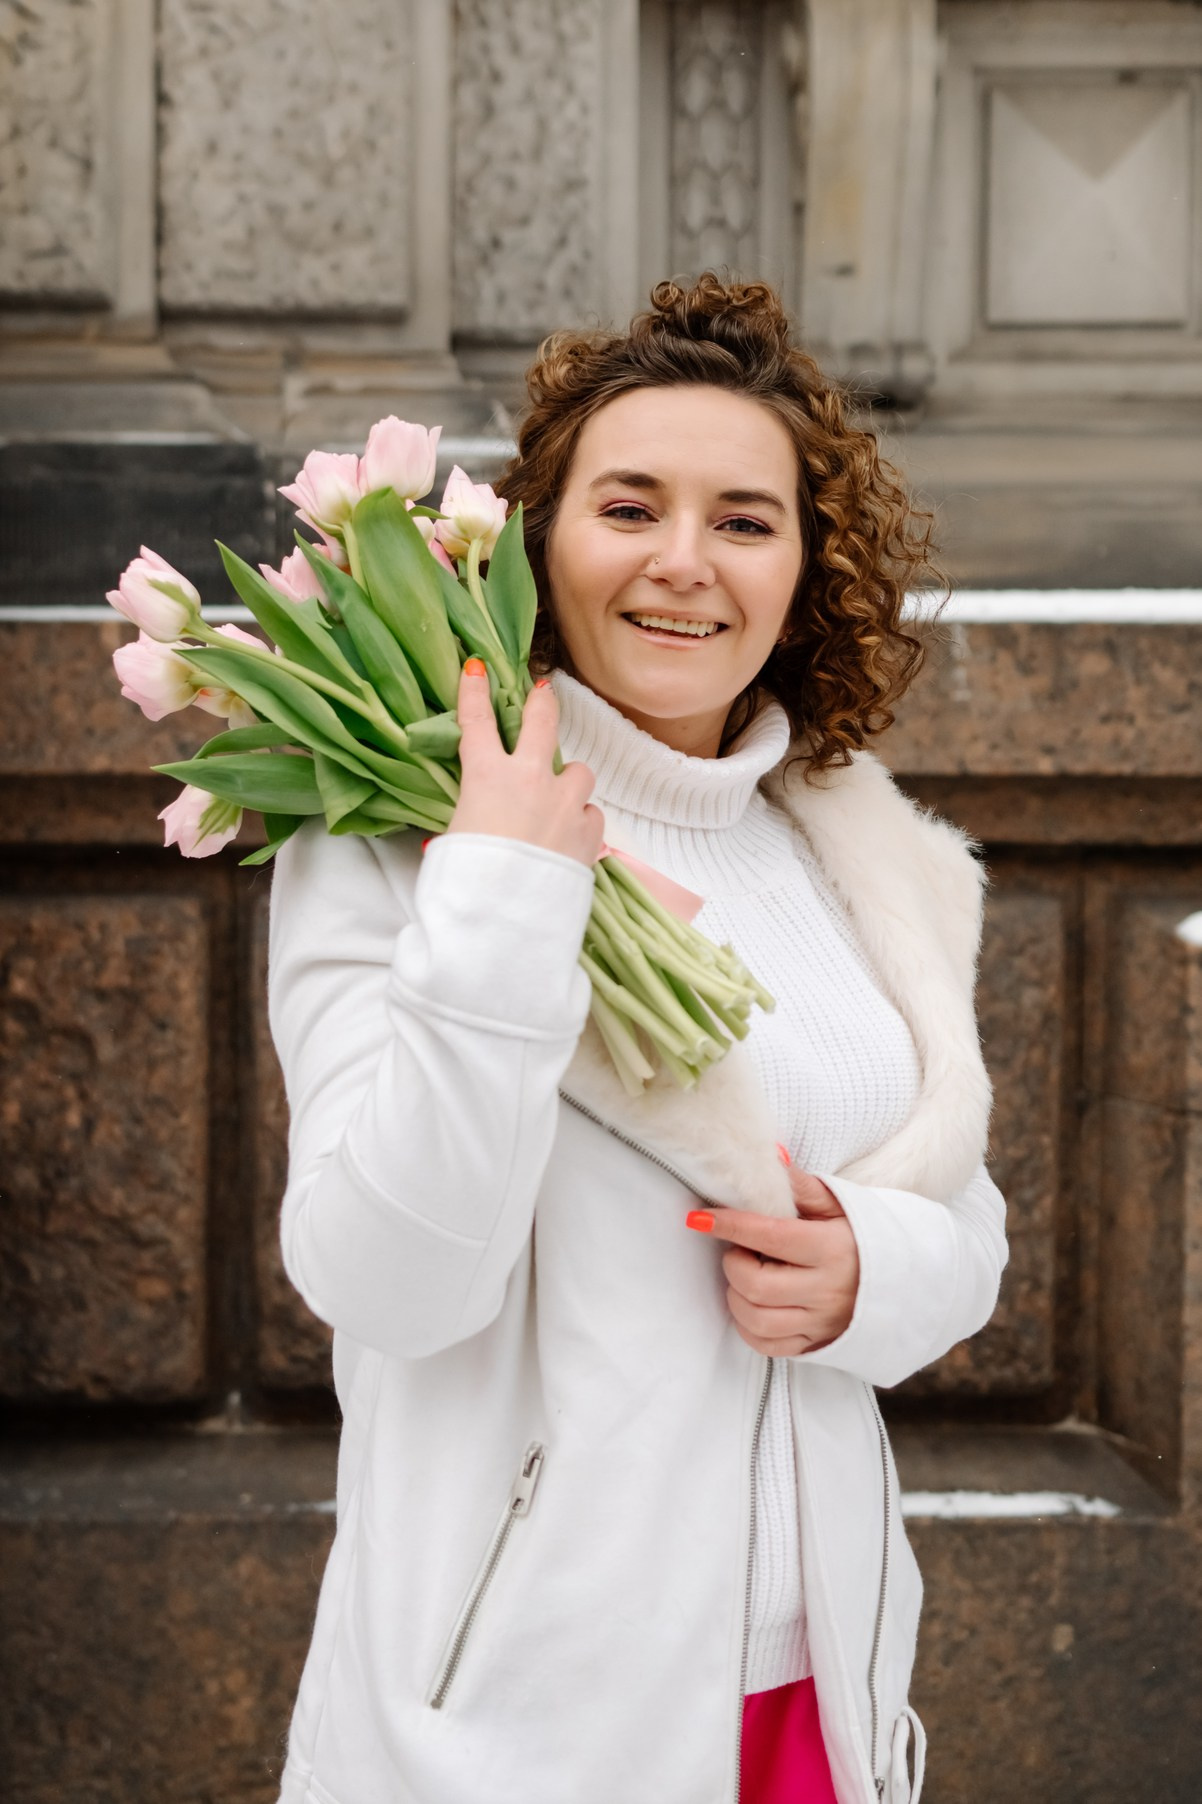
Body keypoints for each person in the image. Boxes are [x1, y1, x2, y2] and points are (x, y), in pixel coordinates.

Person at [266, 274, 1007, 1804]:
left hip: (818, 1682)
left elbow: (967, 1220)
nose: (684, 562)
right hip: (518, 1717)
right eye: (628, 507)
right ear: (538, 543)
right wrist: (501, 897)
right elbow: (384, 1282)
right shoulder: (403, 847)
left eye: (744, 520)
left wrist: (872, 1269)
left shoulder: (862, 854)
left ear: (804, 571)